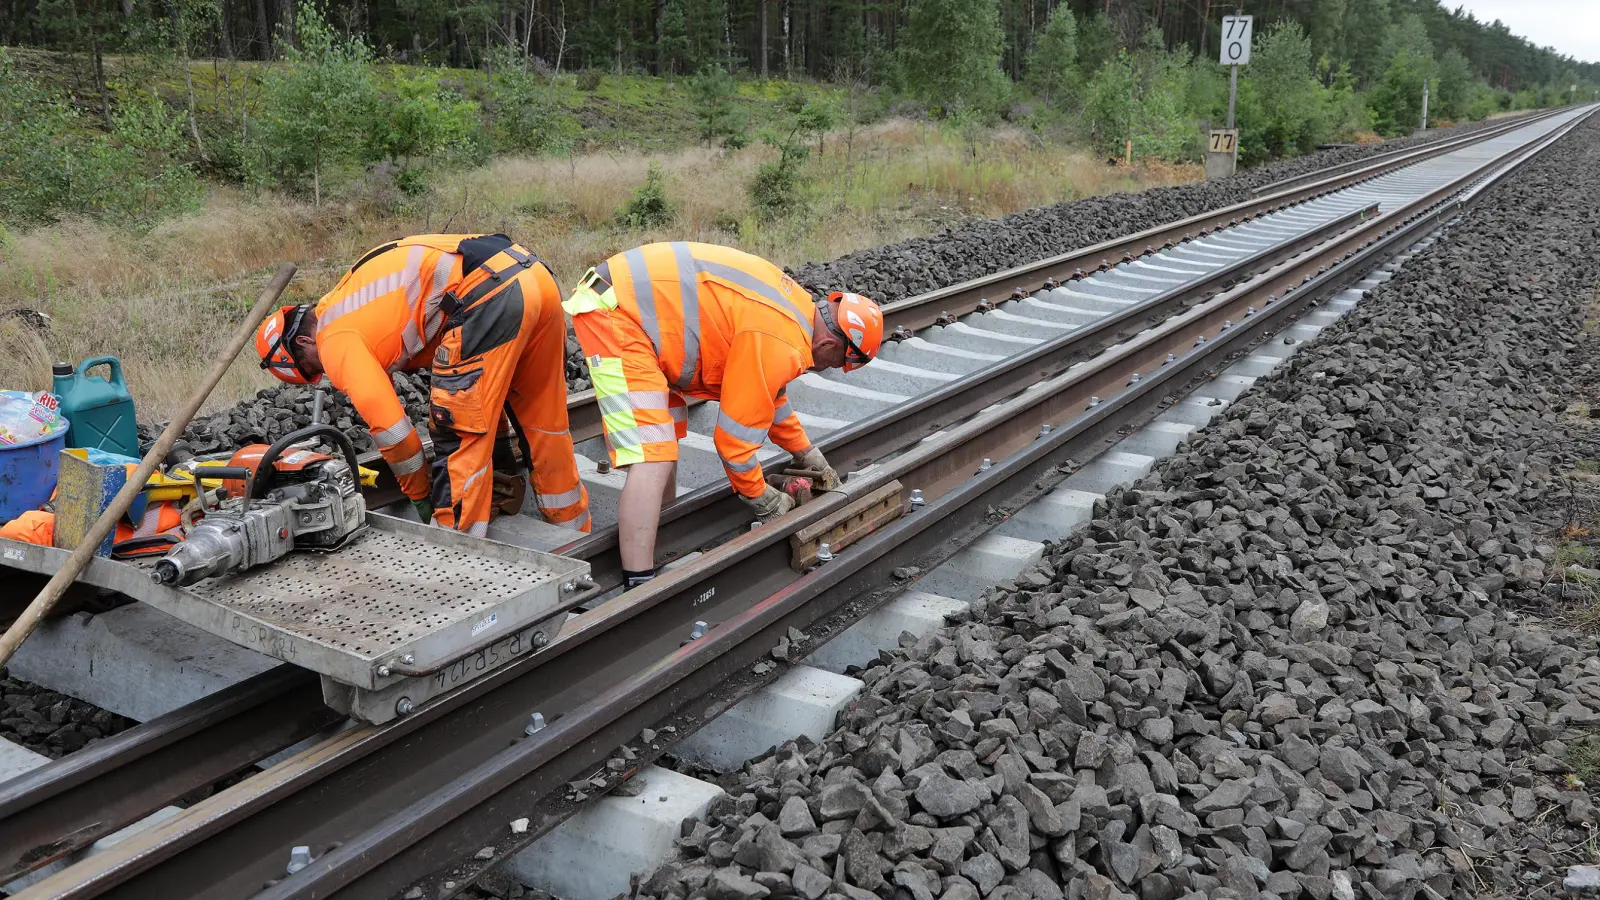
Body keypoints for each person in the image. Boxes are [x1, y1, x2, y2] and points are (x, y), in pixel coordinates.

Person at [563, 241, 883, 589]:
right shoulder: (781, 342)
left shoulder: (796, 312)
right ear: (829, 346)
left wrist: (808, 455)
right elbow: (733, 444)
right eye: (838, 363)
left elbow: (767, 393)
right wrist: (763, 498)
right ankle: (640, 584)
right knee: (652, 452)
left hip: (641, 312)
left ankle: (659, 540)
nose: (828, 368)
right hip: (618, 313)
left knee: (664, 436)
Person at [255, 233, 589, 536]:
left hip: (487, 295)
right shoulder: (351, 300)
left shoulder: (333, 339)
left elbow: (396, 435)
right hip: (533, 277)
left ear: (304, 341)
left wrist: (421, 498)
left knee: (457, 435)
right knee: (545, 426)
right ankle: (572, 536)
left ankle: (458, 552)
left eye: (313, 369)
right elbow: (487, 389)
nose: (324, 374)